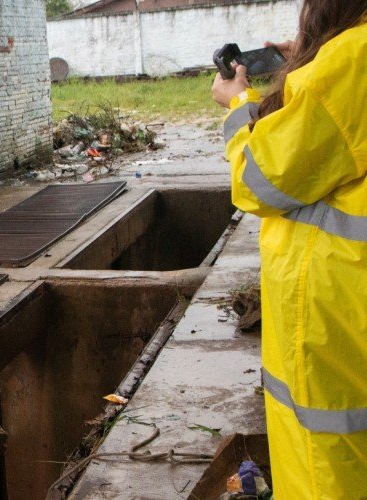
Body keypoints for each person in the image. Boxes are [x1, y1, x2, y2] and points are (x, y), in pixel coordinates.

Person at [211, 3, 367, 497]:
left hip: (336, 315)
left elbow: (260, 180)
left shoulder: (351, 59)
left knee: (330, 454)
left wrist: (238, 107)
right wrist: (307, 61)